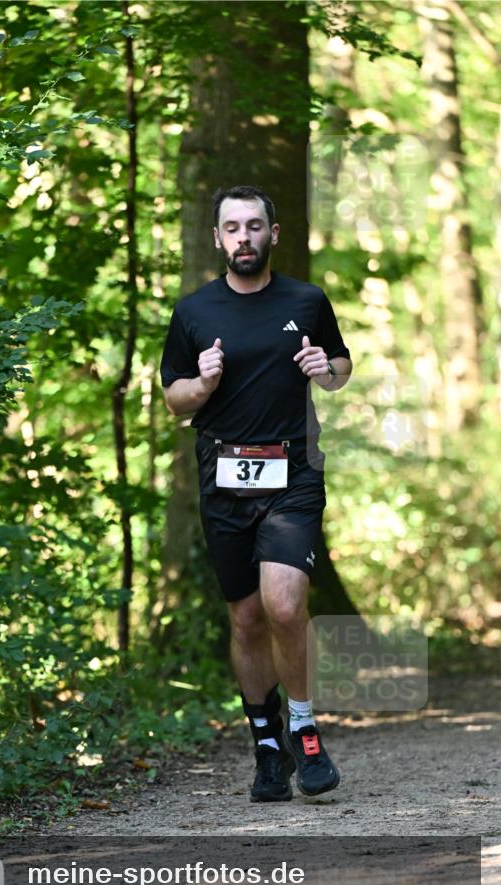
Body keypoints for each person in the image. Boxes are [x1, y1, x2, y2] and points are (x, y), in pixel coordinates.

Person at [160, 184, 352, 802]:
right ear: (217, 239)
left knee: (286, 605)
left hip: (293, 473)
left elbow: (341, 367)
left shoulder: (306, 298)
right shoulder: (194, 313)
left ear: (273, 233)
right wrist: (204, 382)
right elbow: (174, 400)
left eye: (255, 226)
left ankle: (304, 727)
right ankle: (267, 746)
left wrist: (327, 370)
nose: (244, 237)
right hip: (224, 477)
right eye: (233, 228)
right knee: (245, 619)